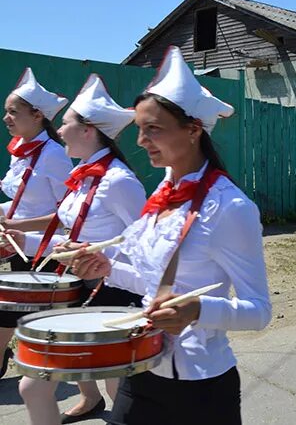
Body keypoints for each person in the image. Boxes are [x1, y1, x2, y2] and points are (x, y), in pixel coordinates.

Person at [70, 47, 271, 425]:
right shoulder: (161, 194)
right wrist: (106, 267)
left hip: (201, 387)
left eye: (154, 129)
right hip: (142, 365)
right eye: (140, 129)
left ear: (193, 130)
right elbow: (154, 285)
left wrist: (199, 310)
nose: (141, 140)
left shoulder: (231, 208)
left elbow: (259, 311)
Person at [1, 74, 147, 425]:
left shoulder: (120, 182)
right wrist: (26, 240)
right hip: (80, 285)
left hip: (114, 294)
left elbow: (143, 244)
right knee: (33, 388)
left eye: (65, 124)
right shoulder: (83, 173)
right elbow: (71, 233)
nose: (59, 130)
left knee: (120, 392)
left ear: (88, 130)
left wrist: (101, 259)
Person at [0, 68, 71, 379]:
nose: (6, 118)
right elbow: (19, 204)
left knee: (22, 315)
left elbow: (68, 216)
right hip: (19, 244)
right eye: (6, 112)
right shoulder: (21, 152)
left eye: (13, 112)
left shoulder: (54, 155)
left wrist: (20, 227)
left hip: (43, 251)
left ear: (38, 115)